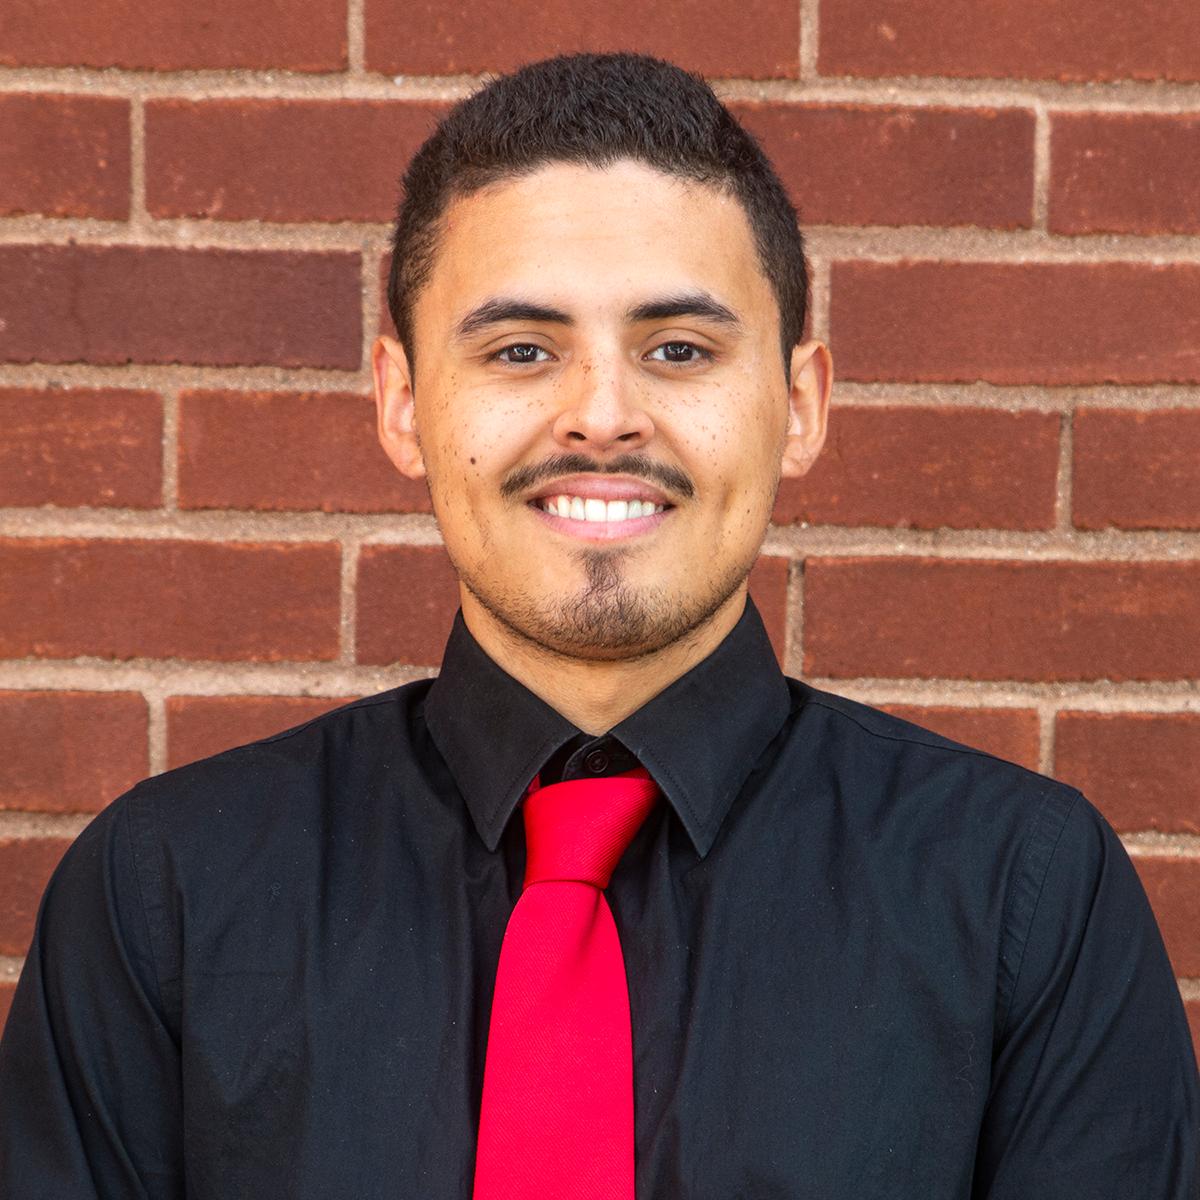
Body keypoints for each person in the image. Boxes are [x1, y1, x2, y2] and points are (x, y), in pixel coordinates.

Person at [0, 51, 1195, 1199]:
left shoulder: (1023, 898)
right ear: (403, 404)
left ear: (799, 404)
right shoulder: (167, 895)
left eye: (679, 348)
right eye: (523, 350)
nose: (603, 415)